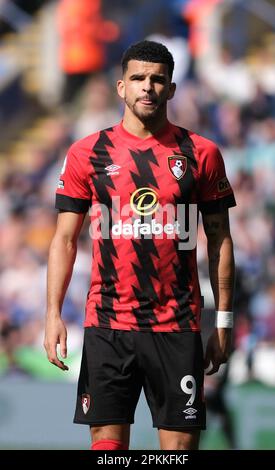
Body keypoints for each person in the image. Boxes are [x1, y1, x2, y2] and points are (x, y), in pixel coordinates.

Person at [44, 40, 236, 451]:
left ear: (171, 89)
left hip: (178, 327)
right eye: (138, 79)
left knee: (179, 453)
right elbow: (64, 239)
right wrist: (52, 314)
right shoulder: (86, 154)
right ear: (121, 87)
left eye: (157, 80)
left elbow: (220, 239)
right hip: (108, 324)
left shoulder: (201, 154)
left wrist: (222, 322)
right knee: (108, 451)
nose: (147, 87)